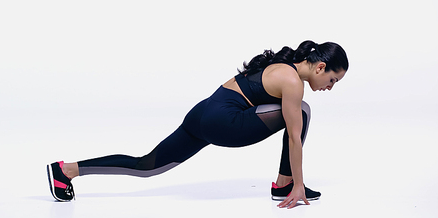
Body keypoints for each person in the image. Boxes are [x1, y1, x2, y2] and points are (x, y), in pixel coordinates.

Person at [47, 40, 348, 209]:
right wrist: (298, 184)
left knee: (147, 164)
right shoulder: (292, 82)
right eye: (332, 79)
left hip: (202, 114)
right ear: (320, 67)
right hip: (224, 123)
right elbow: (294, 138)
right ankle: (284, 187)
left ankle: (66, 170)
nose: (330, 86)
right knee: (303, 112)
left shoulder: (280, 67)